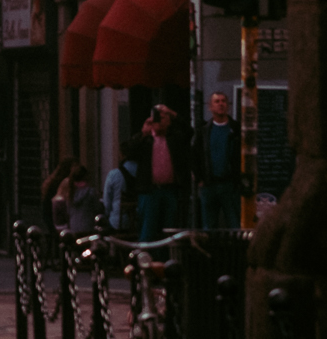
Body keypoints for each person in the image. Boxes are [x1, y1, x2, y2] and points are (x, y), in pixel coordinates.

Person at [136, 104, 192, 241]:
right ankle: (145, 259)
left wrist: (172, 113)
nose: (160, 121)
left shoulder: (174, 138)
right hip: (150, 191)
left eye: (163, 118)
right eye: (157, 118)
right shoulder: (146, 140)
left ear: (169, 121)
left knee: (169, 231)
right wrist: (142, 134)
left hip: (170, 190)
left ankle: (166, 259)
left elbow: (189, 131)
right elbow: (128, 152)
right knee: (147, 230)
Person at [193, 91, 244, 230]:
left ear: (228, 105)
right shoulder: (204, 130)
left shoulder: (236, 129)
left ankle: (236, 251)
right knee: (208, 227)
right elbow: (195, 155)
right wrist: (200, 178)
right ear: (210, 107)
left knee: (235, 224)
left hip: (230, 184)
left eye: (223, 101)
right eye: (217, 101)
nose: (221, 104)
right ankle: (210, 251)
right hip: (209, 184)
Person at [103, 140, 140, 235]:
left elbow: (107, 202)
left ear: (121, 154)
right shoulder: (143, 174)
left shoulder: (114, 174)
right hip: (139, 220)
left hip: (118, 223)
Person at [56, 164, 103, 235]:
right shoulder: (90, 192)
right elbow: (97, 208)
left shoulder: (70, 193)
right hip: (88, 228)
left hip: (74, 228)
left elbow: (68, 211)